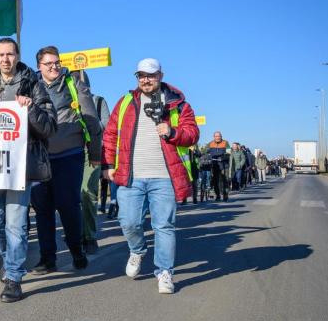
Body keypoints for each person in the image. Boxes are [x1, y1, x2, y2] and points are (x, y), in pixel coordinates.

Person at [101, 58, 199, 295]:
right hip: (131, 176)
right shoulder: (125, 102)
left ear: (160, 76)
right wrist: (107, 165)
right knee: (129, 222)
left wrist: (172, 131)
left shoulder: (178, 104)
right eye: (141, 75)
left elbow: (192, 134)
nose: (146, 80)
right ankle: (137, 250)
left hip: (164, 177)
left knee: (164, 225)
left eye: (151, 75)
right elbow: (110, 134)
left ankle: (164, 272)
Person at [0, 38, 55, 303]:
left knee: (16, 224)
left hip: (22, 167)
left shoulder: (35, 84)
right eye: (1, 55)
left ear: (18, 55)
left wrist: (30, 109)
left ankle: (13, 278)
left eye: (10, 54)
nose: (6, 59)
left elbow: (49, 126)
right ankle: (10, 258)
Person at [29, 45, 101, 275]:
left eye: (56, 62)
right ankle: (47, 259)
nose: (54, 66)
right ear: (39, 66)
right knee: (42, 209)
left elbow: (91, 119)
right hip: (39, 158)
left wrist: (97, 154)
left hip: (69, 154)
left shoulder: (73, 84)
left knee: (68, 205)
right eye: (48, 63)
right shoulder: (30, 86)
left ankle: (76, 251)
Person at [81, 93, 110, 254]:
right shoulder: (61, 97)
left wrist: (88, 123)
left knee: (88, 193)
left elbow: (106, 123)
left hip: (91, 150)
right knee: (71, 197)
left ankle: (89, 236)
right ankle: (77, 232)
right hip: (68, 149)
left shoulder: (98, 101)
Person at [206, 132, 230, 201]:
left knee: (225, 180)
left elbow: (229, 153)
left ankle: (225, 195)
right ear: (214, 137)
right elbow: (206, 152)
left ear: (221, 136)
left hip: (224, 165)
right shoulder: (210, 144)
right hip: (214, 164)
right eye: (216, 136)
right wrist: (207, 157)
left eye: (219, 136)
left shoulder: (226, 143)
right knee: (215, 181)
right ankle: (218, 195)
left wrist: (223, 158)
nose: (218, 137)